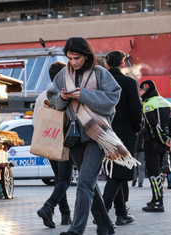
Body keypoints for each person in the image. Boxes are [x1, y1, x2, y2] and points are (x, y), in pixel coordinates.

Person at [48, 37, 123, 235]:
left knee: (84, 182)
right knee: (88, 183)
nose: (73, 62)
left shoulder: (100, 73)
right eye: (70, 58)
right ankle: (105, 226)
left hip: (98, 134)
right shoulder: (63, 75)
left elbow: (112, 99)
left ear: (86, 55)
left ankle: (76, 230)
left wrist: (83, 95)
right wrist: (63, 97)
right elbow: (53, 100)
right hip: (74, 135)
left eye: (77, 58)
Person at [102, 50, 142, 226]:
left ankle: (121, 213)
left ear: (107, 64)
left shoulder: (100, 82)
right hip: (124, 134)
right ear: (123, 64)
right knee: (119, 174)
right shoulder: (128, 82)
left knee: (114, 173)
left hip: (103, 134)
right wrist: (136, 128)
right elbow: (135, 110)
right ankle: (102, 212)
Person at [35, 61, 73, 228]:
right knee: (65, 180)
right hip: (64, 140)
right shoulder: (65, 93)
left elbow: (36, 123)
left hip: (48, 140)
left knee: (59, 179)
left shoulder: (40, 96)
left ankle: (65, 215)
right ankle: (48, 206)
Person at [139, 80, 171, 212]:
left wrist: (163, 139)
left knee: (153, 172)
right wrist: (169, 139)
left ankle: (158, 202)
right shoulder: (167, 103)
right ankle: (156, 199)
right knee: (159, 171)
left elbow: (153, 125)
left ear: (146, 89)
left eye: (141, 90)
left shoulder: (148, 104)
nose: (140, 93)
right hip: (163, 145)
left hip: (152, 143)